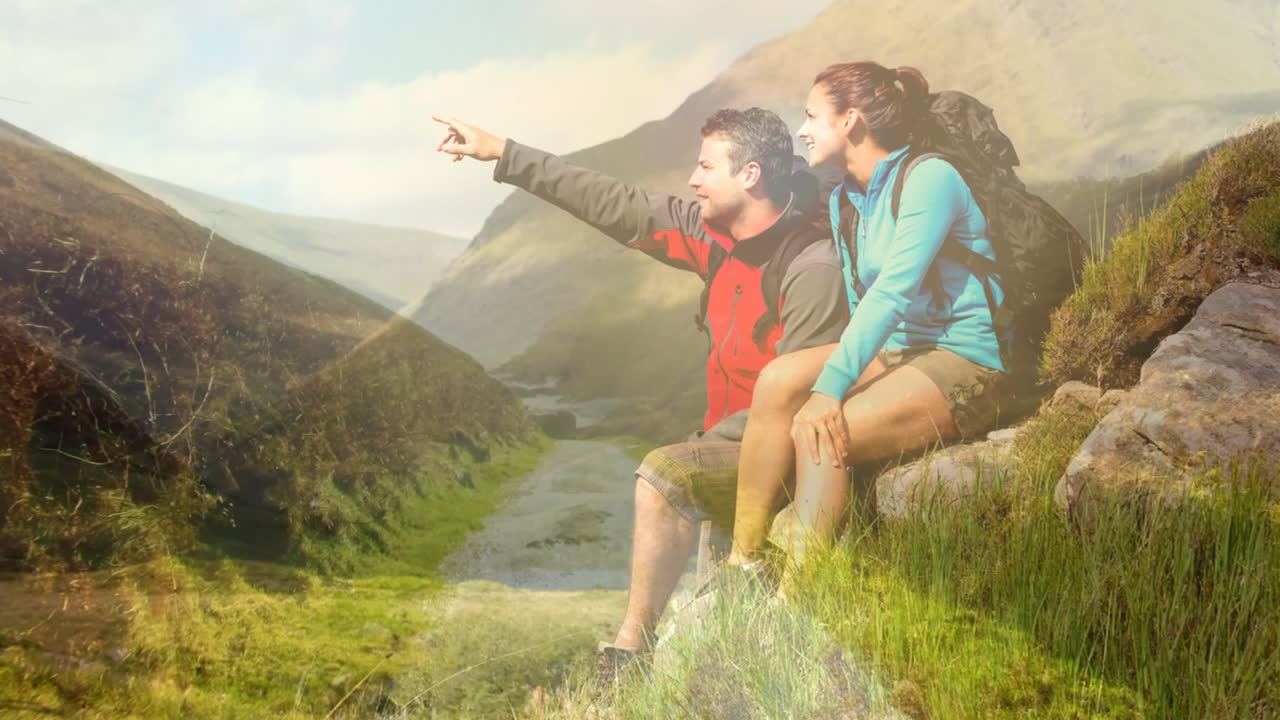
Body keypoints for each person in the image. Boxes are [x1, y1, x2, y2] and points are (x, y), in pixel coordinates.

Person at [433, 108, 846, 665]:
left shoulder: (811, 267)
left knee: (663, 476)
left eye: (706, 167)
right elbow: (616, 204)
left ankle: (630, 655)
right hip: (729, 453)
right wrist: (503, 153)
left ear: (750, 175)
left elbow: (800, 399)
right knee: (728, 640)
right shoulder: (714, 237)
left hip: (777, 457)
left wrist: (708, 445)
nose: (693, 180)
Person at [724, 61, 1011, 576]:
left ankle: (800, 593)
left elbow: (893, 292)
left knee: (820, 431)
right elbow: (861, 304)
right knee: (776, 380)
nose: (802, 130)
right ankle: (743, 563)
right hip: (897, 351)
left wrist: (830, 390)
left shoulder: (930, 178)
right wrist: (834, 380)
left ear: (850, 119)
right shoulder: (845, 199)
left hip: (961, 354)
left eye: (812, 116)